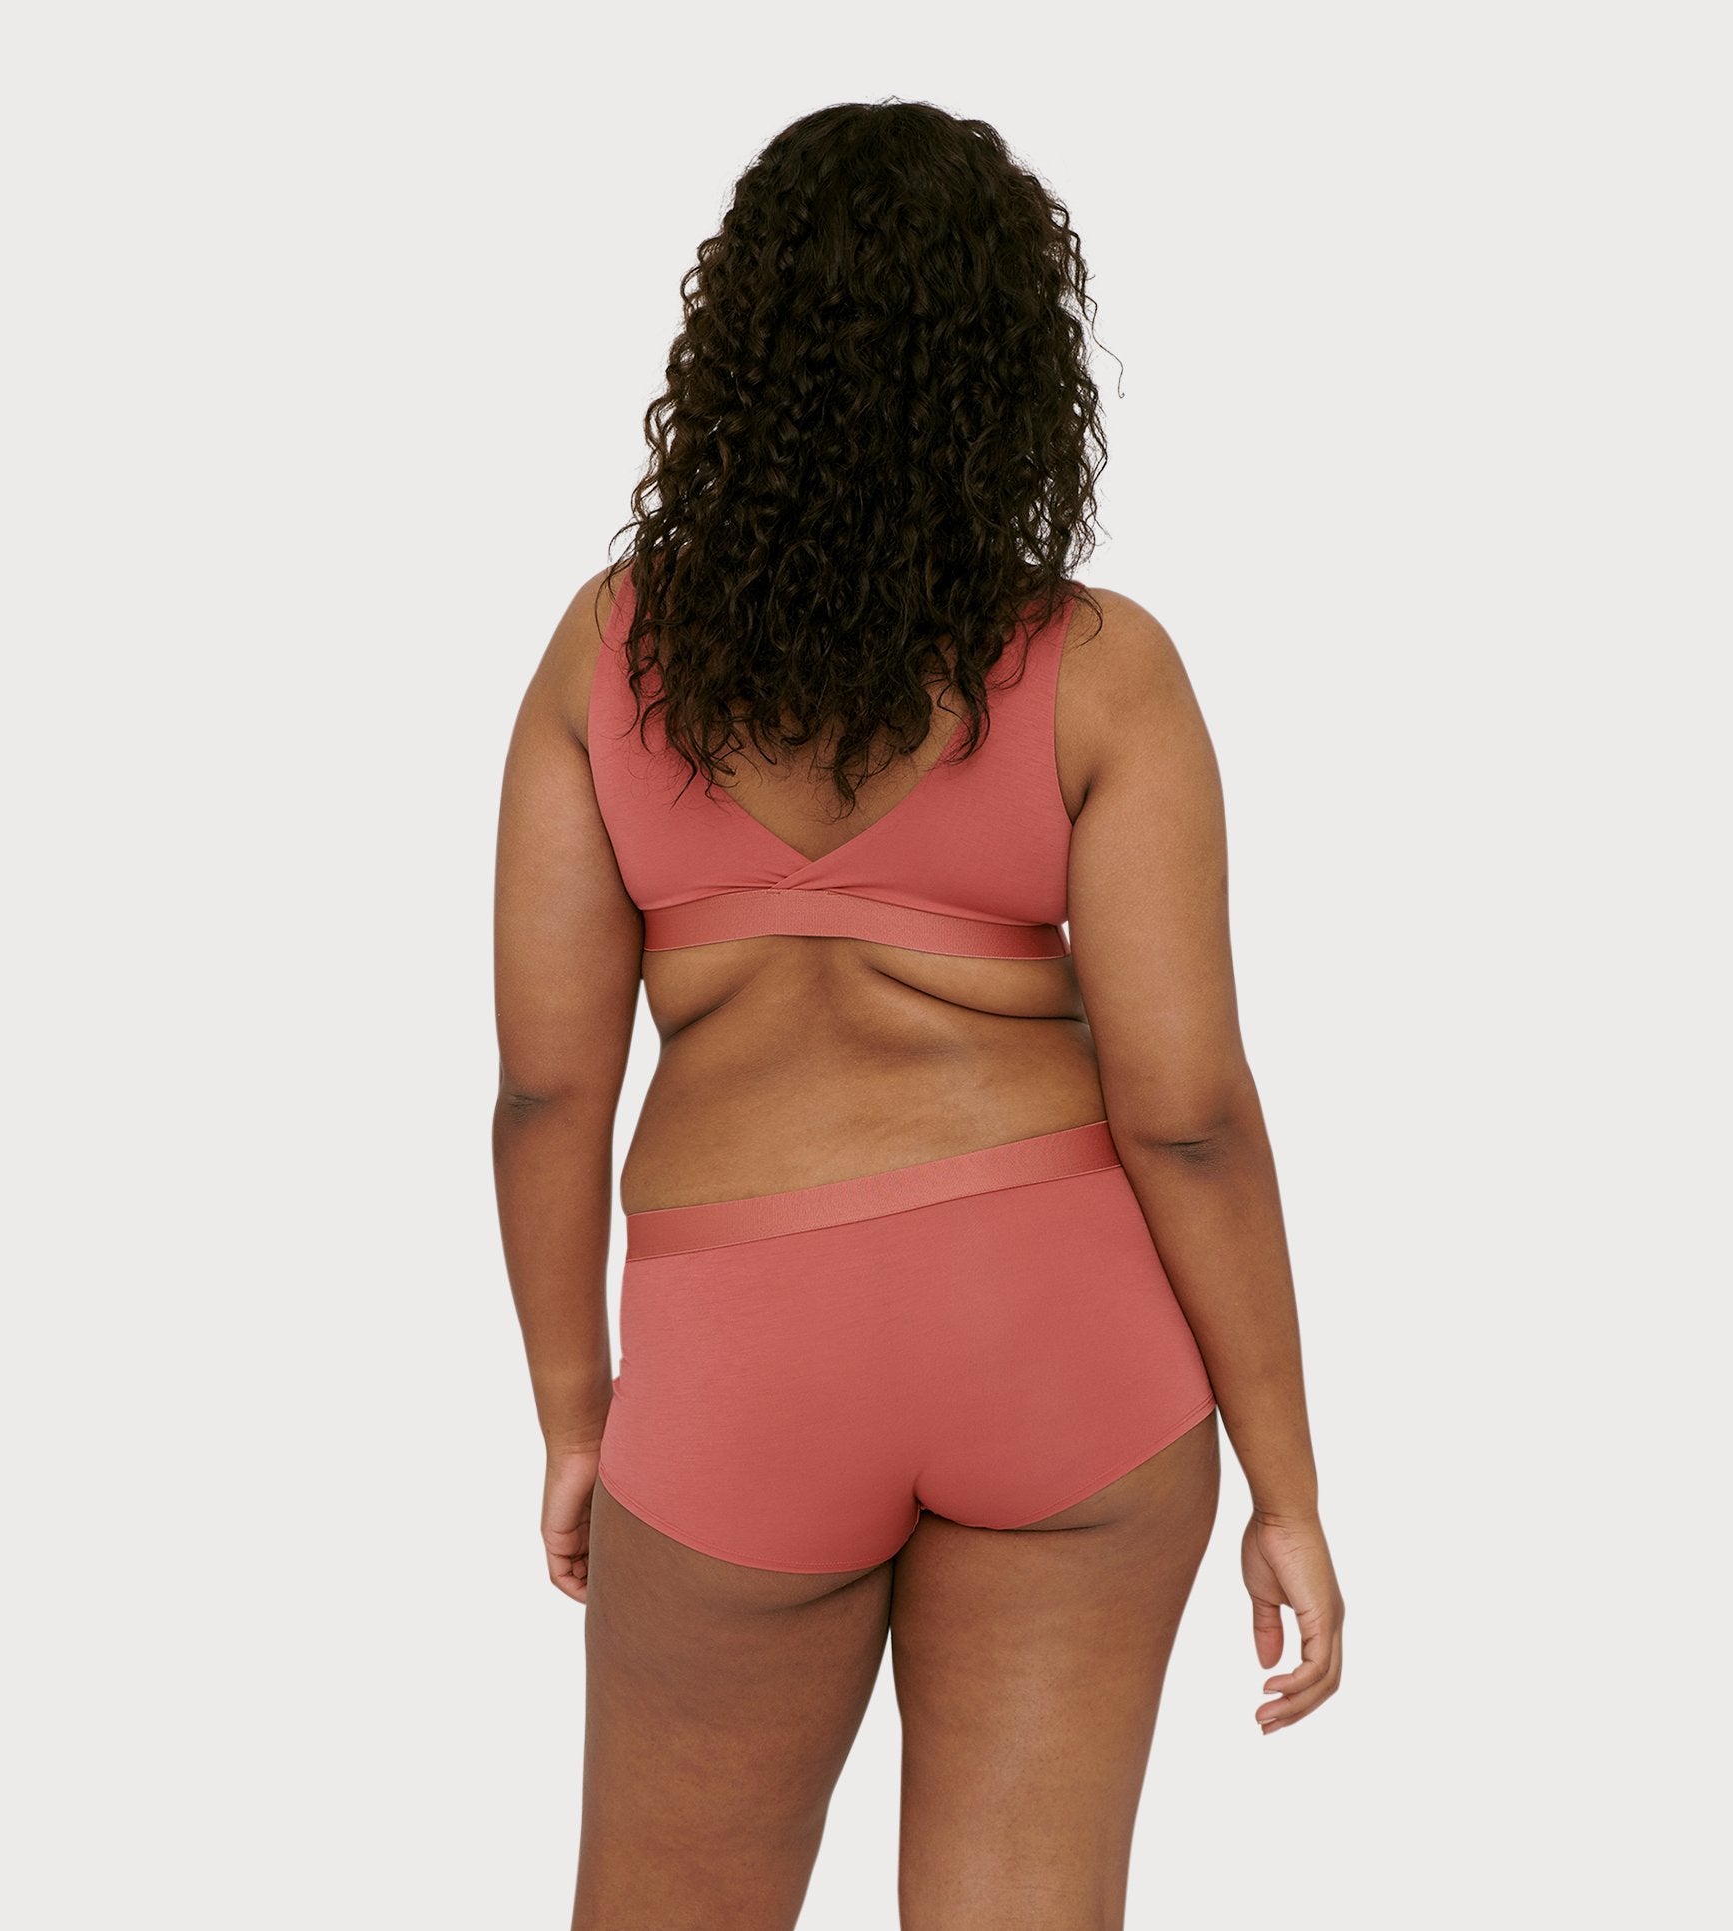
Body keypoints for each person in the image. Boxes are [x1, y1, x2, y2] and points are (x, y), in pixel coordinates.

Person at [492, 99, 1343, 1931]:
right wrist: (1287, 1484)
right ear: (1015, 379)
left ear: (736, 355)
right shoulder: (1100, 668)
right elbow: (1188, 1109)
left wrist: (577, 1415)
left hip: (744, 1345)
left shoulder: (607, 656)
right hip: (1062, 1332)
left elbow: (549, 1095)